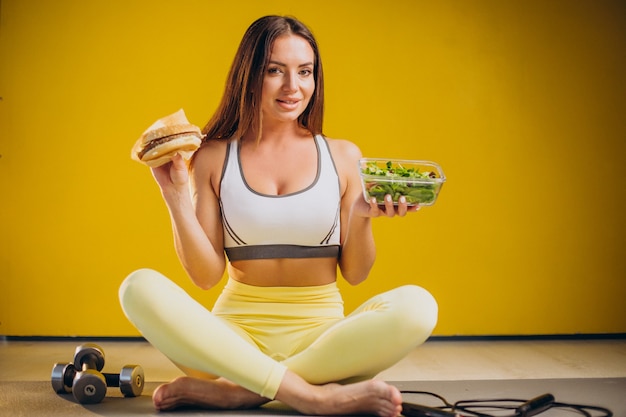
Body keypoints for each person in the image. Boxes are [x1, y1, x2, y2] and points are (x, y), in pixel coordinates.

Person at [119, 15, 438, 417]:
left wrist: (361, 217)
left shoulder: (343, 156)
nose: (293, 87)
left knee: (419, 306)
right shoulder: (214, 156)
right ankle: (311, 395)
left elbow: (355, 273)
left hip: (325, 342)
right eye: (275, 71)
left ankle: (237, 392)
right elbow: (205, 276)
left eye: (305, 72)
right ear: (249, 77)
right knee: (137, 287)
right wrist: (176, 196)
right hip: (230, 342)